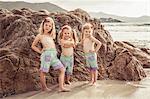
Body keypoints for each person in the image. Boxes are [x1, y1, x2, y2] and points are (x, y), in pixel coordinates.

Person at [31, 17, 69, 92]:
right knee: (43, 71)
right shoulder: (40, 35)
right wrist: (40, 51)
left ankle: (61, 87)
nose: (47, 27)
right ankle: (44, 87)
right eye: (46, 25)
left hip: (53, 55)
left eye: (49, 26)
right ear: (43, 25)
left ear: (52, 27)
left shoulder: (51, 35)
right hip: (46, 55)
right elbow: (33, 46)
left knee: (62, 69)